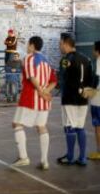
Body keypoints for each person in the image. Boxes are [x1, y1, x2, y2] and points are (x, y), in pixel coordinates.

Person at [12, 36, 57, 170]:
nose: (27, 46)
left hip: (30, 98)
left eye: (28, 44)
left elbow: (31, 77)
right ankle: (44, 161)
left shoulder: (29, 58)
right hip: (44, 101)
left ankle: (23, 157)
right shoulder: (47, 60)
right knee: (41, 127)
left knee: (17, 124)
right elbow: (54, 81)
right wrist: (46, 92)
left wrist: (41, 92)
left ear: (32, 45)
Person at [57, 33, 93, 166]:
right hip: (83, 98)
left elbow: (62, 76)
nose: (60, 46)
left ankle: (70, 157)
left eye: (61, 44)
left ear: (66, 44)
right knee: (80, 126)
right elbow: (91, 79)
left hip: (69, 97)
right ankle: (82, 157)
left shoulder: (66, 59)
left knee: (69, 127)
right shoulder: (87, 59)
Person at [87, 41, 100, 160]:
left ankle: (99, 151)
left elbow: (97, 78)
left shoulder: (99, 60)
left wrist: (90, 92)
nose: (92, 52)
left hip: (98, 101)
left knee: (98, 127)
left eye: (93, 49)